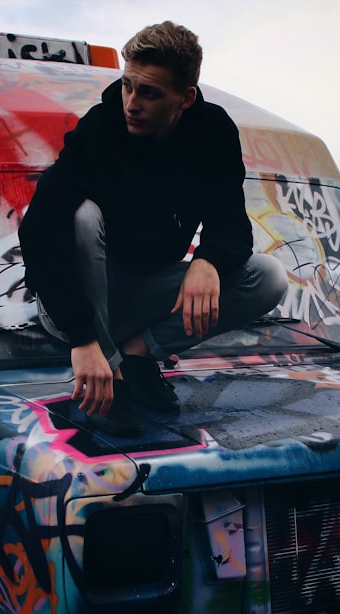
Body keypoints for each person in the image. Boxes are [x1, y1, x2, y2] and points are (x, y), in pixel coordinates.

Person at [18, 21, 287, 436]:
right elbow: (38, 229)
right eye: (128, 86)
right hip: (82, 307)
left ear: (186, 98)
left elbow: (231, 224)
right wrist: (83, 339)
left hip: (146, 295)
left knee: (268, 277)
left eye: (149, 93)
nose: (131, 103)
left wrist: (208, 261)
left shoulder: (213, 132)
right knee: (83, 214)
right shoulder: (100, 128)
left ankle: (137, 354)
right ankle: (108, 369)